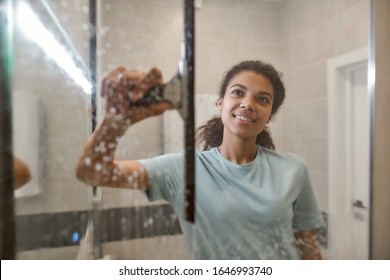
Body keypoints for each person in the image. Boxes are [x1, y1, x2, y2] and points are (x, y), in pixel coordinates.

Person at [76, 60, 325, 260]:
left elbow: (308, 243)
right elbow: (92, 173)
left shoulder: (293, 169)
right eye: (238, 92)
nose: (248, 104)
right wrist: (116, 121)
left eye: (262, 99)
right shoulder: (184, 170)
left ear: (269, 115)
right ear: (220, 103)